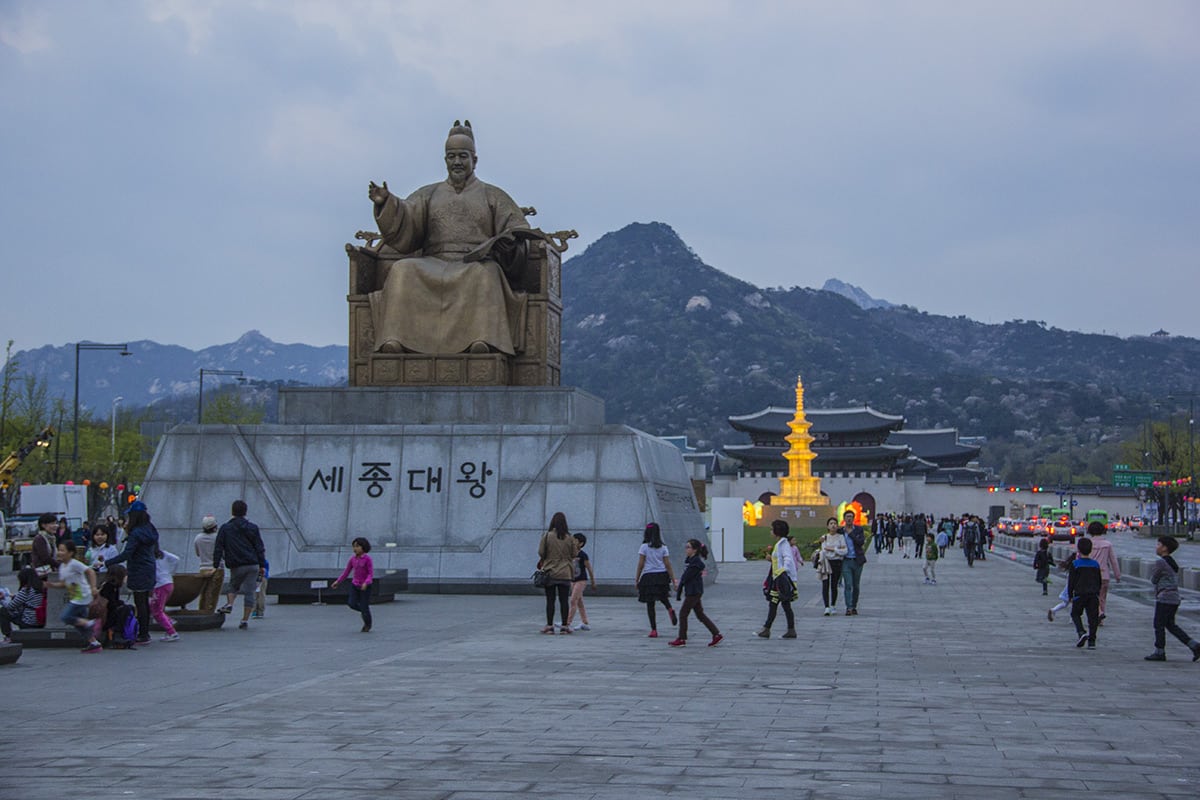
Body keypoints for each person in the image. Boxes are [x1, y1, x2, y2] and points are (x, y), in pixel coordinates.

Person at [365, 120, 532, 356]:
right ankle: (395, 339)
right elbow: (407, 221)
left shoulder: (493, 195)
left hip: (475, 262)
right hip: (433, 261)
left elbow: (517, 228)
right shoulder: (428, 194)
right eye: (451, 156)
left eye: (462, 156)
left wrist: (508, 242)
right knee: (403, 270)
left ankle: (481, 340)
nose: (457, 162)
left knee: (486, 274)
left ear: (474, 160)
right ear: (445, 160)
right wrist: (387, 203)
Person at [104, 500, 159, 645]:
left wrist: (108, 562)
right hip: (149, 568)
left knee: (140, 602)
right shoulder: (150, 529)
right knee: (144, 603)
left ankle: (143, 633)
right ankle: (145, 632)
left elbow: (127, 553)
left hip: (138, 569)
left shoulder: (136, 533)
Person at [213, 500, 267, 631]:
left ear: (232, 511)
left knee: (233, 586)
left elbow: (219, 547)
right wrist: (262, 564)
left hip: (236, 564)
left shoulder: (225, 528)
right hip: (253, 564)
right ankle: (244, 620)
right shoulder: (253, 527)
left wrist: (216, 564)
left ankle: (230, 603)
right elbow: (259, 547)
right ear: (245, 512)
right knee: (250, 591)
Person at [1144, 536, 1200, 662]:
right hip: (1174, 597)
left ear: (1165, 548)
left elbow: (1154, 579)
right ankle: (1194, 645)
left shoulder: (1161, 562)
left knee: (1158, 624)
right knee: (1170, 625)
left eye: (1158, 544)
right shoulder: (1172, 562)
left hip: (1165, 597)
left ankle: (1160, 651)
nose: (1156, 547)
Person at [44, 541, 103, 653]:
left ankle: (92, 623)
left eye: (62, 550)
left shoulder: (74, 563)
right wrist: (51, 585)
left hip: (82, 596)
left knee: (66, 617)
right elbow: (63, 584)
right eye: (59, 550)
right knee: (78, 624)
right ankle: (94, 643)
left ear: (70, 553)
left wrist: (93, 587)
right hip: (75, 597)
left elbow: (90, 572)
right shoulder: (62, 566)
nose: (59, 553)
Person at [669, 539, 722, 647]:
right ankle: (716, 634)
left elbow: (686, 577)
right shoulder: (690, 560)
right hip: (693, 591)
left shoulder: (695, 563)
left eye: (688, 547)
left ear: (694, 550)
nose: (686, 549)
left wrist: (679, 587)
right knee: (700, 614)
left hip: (694, 592)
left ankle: (682, 638)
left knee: (683, 614)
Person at [538, 512, 579, 634]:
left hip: (550, 572)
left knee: (550, 600)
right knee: (564, 600)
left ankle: (550, 626)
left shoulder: (547, 536)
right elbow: (574, 554)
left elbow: (541, 552)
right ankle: (564, 627)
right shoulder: (569, 537)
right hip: (565, 572)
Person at [635, 522, 676, 638]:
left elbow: (641, 564)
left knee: (650, 604)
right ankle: (670, 608)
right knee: (663, 597)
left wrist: (637, 579)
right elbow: (668, 564)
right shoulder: (663, 547)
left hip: (648, 576)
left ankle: (654, 630)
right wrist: (673, 580)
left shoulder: (644, 547)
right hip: (662, 576)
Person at [757, 519, 797, 638]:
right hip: (777, 578)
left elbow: (788, 560)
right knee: (784, 605)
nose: (770, 531)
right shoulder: (780, 544)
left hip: (780, 579)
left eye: (772, 529)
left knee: (775, 603)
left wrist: (782, 572)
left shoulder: (783, 545)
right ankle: (790, 629)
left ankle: (767, 628)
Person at [332, 537, 374, 632]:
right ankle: (364, 612)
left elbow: (370, 574)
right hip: (355, 585)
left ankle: (367, 624)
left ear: (363, 547)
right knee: (352, 603)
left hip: (365, 587)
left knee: (364, 605)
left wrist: (366, 583)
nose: (355, 549)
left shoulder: (367, 559)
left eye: (357, 546)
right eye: (354, 546)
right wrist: (338, 581)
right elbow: (346, 572)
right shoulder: (352, 559)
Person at [1068, 537, 1102, 649]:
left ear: (1078, 549)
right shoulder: (1095, 564)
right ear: (1091, 550)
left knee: (1075, 614)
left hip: (1079, 594)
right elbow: (1099, 580)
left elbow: (1071, 581)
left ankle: (1081, 632)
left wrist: (1070, 595)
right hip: (1093, 595)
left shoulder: (1075, 564)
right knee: (1093, 618)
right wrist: (1098, 593)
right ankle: (1092, 641)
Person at [1086, 521, 1120, 623]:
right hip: (1104, 574)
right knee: (1102, 597)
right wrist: (1117, 575)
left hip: (1090, 574)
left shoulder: (1087, 544)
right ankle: (1100, 618)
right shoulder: (1107, 544)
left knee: (1092, 597)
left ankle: (1099, 613)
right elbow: (1113, 561)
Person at [0, 567, 45, 641]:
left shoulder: (26, 590)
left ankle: (8, 636)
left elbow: (10, 607)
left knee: (3, 611)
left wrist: (1, 600)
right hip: (40, 620)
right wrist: (14, 596)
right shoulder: (40, 587)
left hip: (28, 622)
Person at [815, 516, 846, 616]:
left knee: (834, 585)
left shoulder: (841, 537)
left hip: (837, 563)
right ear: (828, 526)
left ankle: (833, 605)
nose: (833, 525)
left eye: (835, 523)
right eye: (831, 523)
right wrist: (837, 549)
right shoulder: (824, 537)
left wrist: (833, 549)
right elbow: (824, 550)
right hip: (826, 563)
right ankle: (826, 607)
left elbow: (844, 551)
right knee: (825, 584)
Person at [194, 514, 224, 613]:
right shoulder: (218, 538)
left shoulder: (198, 538)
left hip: (203, 568)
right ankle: (209, 613)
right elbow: (223, 553)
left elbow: (198, 553)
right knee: (213, 594)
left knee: (204, 593)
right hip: (217, 568)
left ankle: (201, 611)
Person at [566, 532, 595, 632]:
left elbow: (589, 568)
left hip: (581, 580)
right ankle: (585, 622)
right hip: (572, 580)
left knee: (573, 600)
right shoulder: (570, 554)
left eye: (575, 541)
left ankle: (567, 623)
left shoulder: (583, 555)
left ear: (581, 544)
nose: (573, 542)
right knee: (579, 601)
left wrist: (593, 581)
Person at [840, 510, 867, 616]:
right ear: (844, 518)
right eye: (847, 517)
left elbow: (860, 542)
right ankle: (849, 607)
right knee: (848, 584)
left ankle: (854, 605)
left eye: (851, 516)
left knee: (856, 585)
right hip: (846, 561)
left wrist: (850, 534)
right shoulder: (841, 531)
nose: (849, 518)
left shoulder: (858, 530)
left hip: (857, 560)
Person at [151, 548, 180, 642]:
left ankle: (171, 631)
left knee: (157, 610)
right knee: (156, 607)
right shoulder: (163, 553)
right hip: (168, 582)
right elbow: (176, 559)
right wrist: (171, 572)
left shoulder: (149, 556)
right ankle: (169, 621)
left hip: (160, 584)